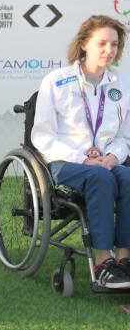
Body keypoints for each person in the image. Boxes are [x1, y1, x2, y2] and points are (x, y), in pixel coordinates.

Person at [32, 15, 130, 289]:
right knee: (101, 178)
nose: (109, 50)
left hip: (106, 163)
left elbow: (124, 136)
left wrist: (113, 157)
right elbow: (42, 136)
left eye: (114, 44)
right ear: (85, 43)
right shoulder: (57, 81)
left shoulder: (123, 83)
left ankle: (124, 260)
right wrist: (85, 158)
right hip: (66, 162)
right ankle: (103, 262)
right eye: (102, 43)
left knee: (126, 176)